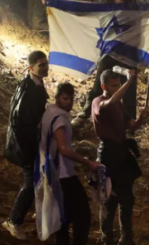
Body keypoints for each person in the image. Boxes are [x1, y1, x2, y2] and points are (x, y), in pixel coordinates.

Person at [72, 0, 140, 128]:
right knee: (98, 86)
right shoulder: (103, 7)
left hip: (128, 55)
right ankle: (83, 115)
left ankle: (129, 125)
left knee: (129, 91)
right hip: (109, 53)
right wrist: (54, 3)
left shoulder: (135, 8)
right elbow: (82, 8)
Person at [92, 69, 149, 245]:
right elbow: (109, 103)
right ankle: (106, 238)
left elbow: (131, 125)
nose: (117, 88)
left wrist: (142, 119)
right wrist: (129, 82)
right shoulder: (98, 102)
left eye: (118, 84)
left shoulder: (119, 104)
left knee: (126, 198)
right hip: (108, 154)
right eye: (113, 86)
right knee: (109, 199)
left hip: (121, 153)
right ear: (104, 87)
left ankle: (126, 238)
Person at [41, 83, 99, 245]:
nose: (69, 102)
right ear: (57, 98)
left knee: (64, 213)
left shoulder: (48, 113)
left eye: (71, 99)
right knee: (82, 214)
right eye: (65, 98)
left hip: (51, 169)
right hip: (63, 172)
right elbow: (64, 149)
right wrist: (87, 162)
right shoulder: (59, 119)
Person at [2, 50, 49, 239]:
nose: (45, 68)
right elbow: (19, 121)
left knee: (39, 179)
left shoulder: (36, 83)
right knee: (31, 182)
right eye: (41, 65)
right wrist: (34, 133)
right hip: (27, 145)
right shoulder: (27, 88)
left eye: (46, 64)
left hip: (33, 142)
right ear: (31, 67)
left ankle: (38, 211)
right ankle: (14, 220)